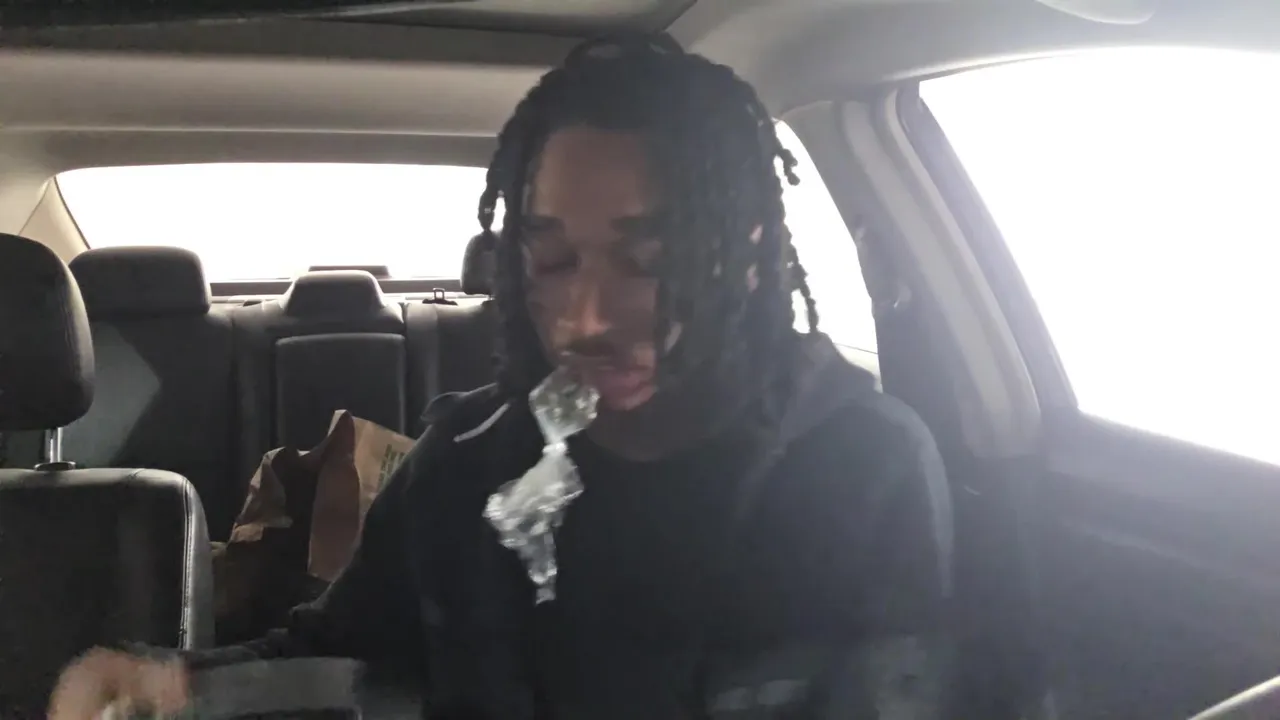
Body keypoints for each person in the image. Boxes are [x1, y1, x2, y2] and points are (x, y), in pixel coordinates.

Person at [50, 33, 954, 719]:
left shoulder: (859, 467)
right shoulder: (467, 462)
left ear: (749, 253)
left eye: (649, 261)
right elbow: (338, 652)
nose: (587, 318)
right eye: (552, 260)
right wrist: (173, 684)